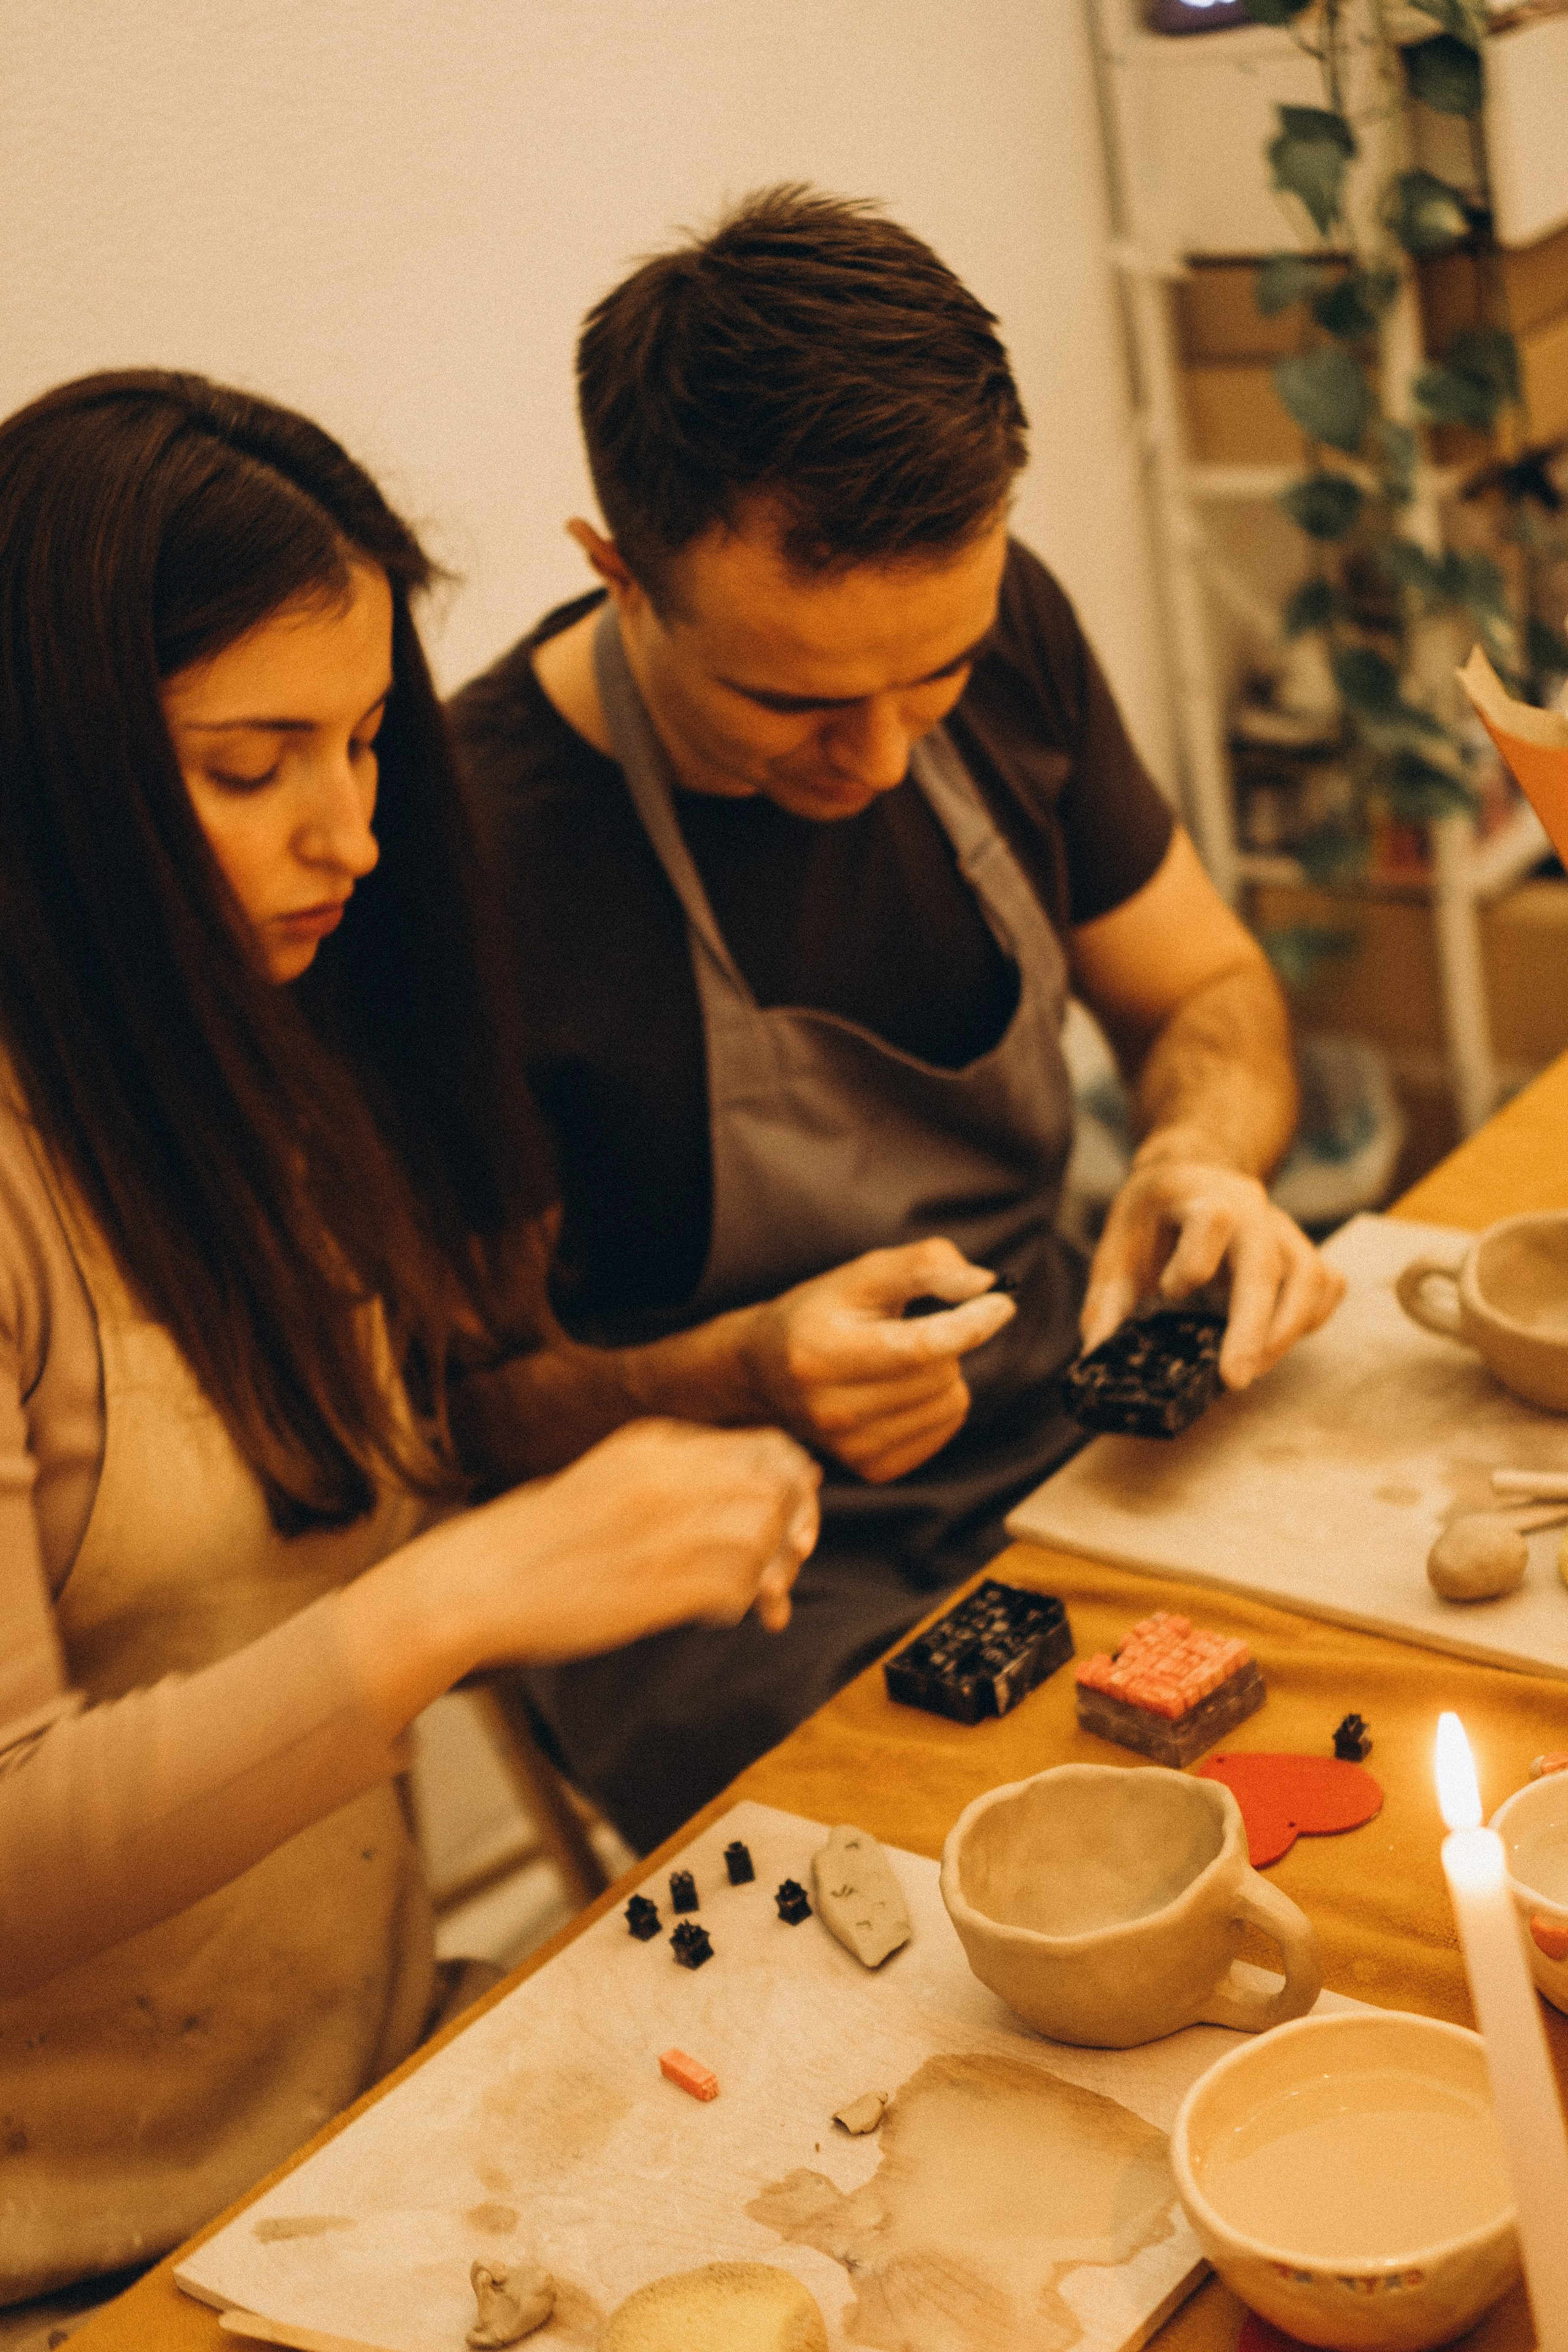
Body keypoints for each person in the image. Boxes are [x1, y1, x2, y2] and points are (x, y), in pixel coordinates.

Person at [0, 370, 821, 2323]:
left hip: (358, 2116)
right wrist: (457, 1599)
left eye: (367, 743)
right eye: (249, 767)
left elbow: (376, 1473)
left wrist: (723, 1386)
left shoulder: (256, 1047)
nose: (353, 834)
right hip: (87, 2249)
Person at [448, 186, 1346, 1852]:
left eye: (935, 676)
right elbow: (466, 1410)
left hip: (1067, 1424)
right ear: (617, 571)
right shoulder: (473, 856)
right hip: (719, 1570)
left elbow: (1208, 988)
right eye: (790, 700)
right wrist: (749, 1372)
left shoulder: (1011, 630)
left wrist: (1202, 1157)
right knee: (1038, 1879)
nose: (874, 757)